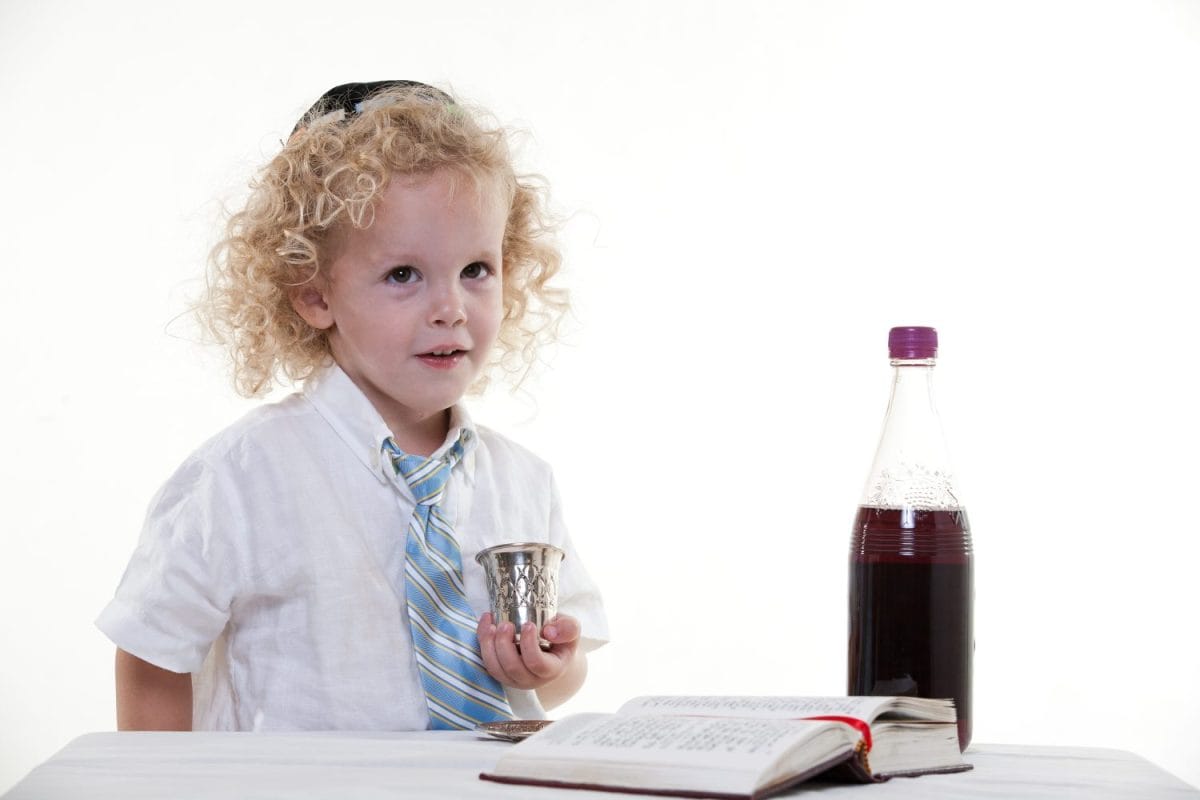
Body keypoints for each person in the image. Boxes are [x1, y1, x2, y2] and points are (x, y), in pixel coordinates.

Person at [96, 81, 608, 732]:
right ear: (314, 294)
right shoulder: (243, 476)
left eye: (476, 269)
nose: (450, 306)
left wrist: (548, 667)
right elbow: (152, 650)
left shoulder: (523, 482)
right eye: (404, 275)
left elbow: (568, 669)